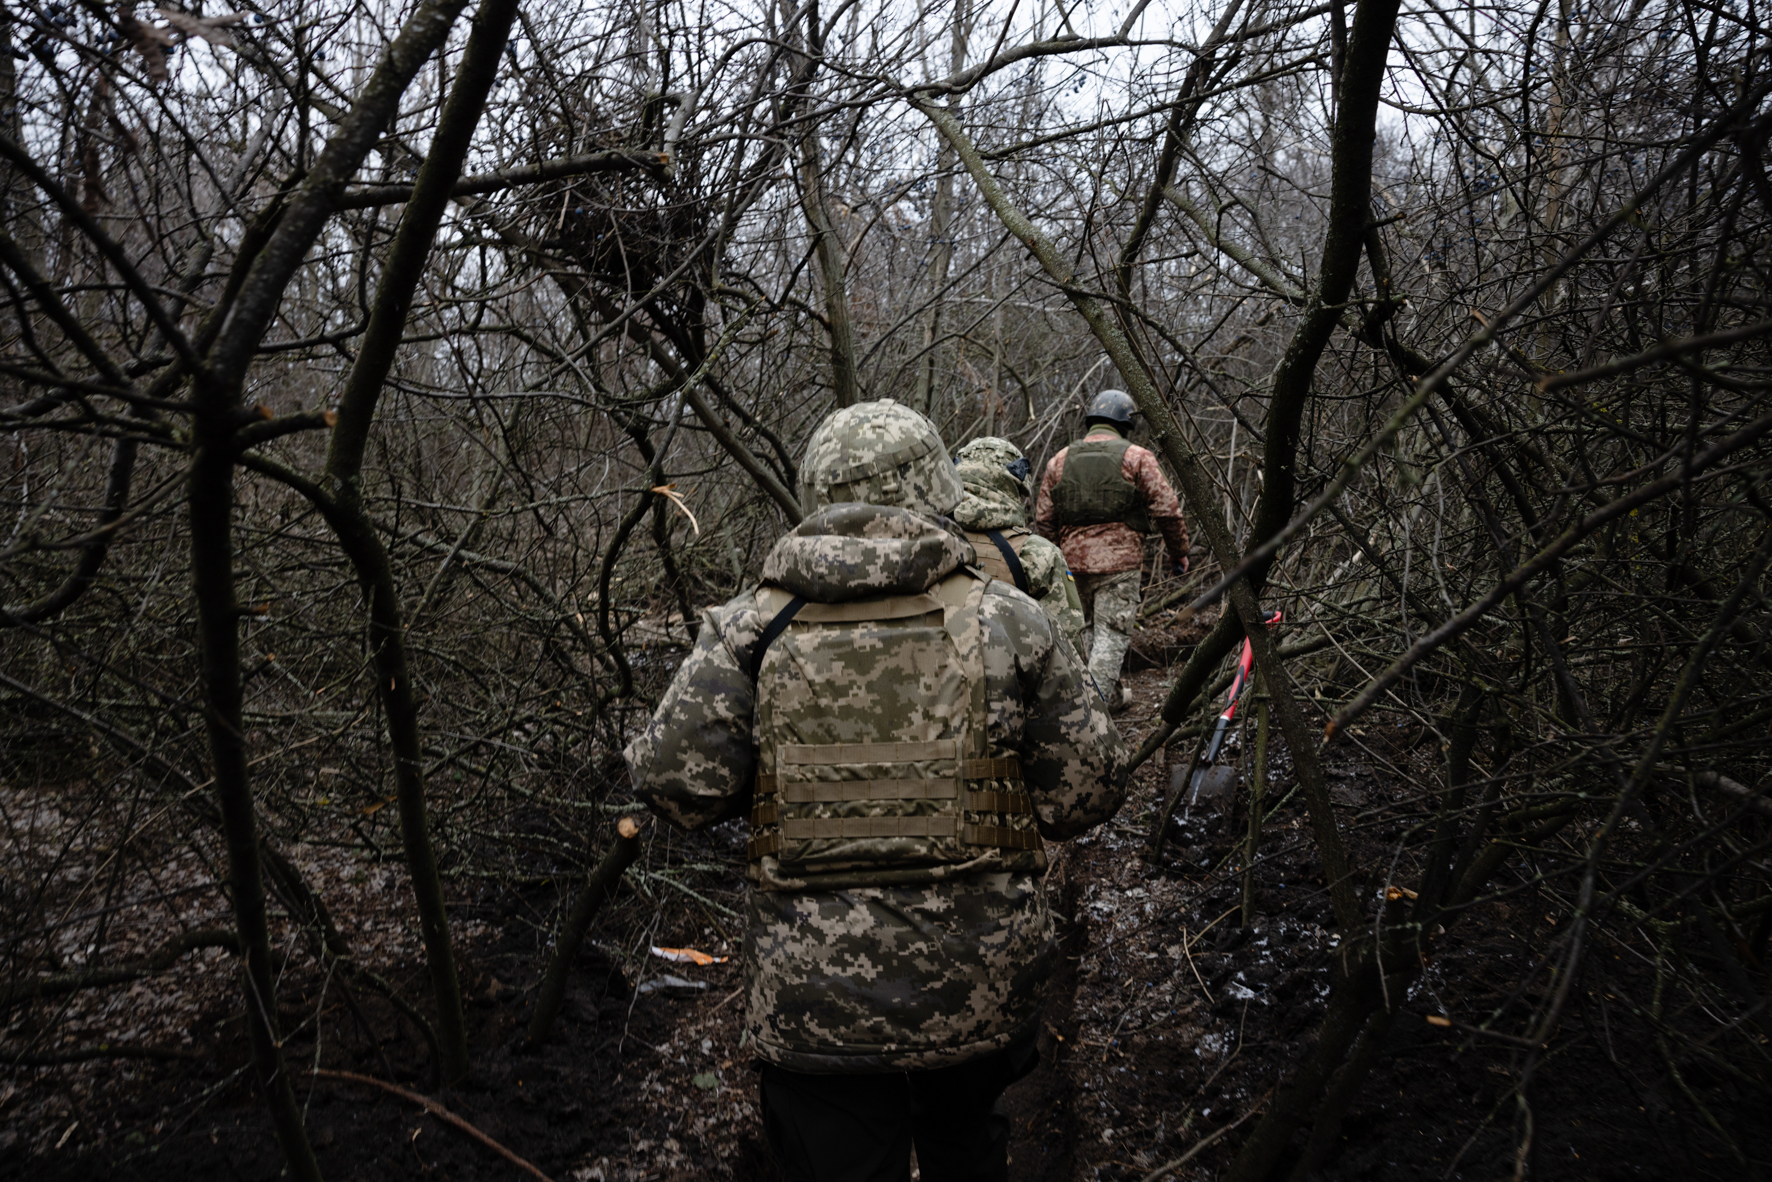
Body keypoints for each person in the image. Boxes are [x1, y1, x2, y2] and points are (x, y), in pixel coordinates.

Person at [624, 398, 1127, 1182]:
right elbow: (1087, 796)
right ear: (937, 490)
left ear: (819, 491)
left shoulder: (752, 629)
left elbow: (672, 787)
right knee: (970, 1150)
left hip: (813, 1008)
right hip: (978, 992)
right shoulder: (1012, 620)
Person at [1033, 388, 1190, 711]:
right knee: (1111, 636)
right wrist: (1178, 552)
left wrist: (1056, 559)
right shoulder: (1136, 457)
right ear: (1124, 423)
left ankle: (1111, 697)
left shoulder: (1059, 460)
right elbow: (1167, 509)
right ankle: (1091, 716)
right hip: (1119, 566)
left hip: (1071, 566)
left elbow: (1044, 520)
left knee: (1088, 633)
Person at [951, 436, 1086, 658]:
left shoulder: (924, 540)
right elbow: (1067, 647)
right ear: (1015, 487)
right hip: (1010, 684)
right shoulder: (1039, 553)